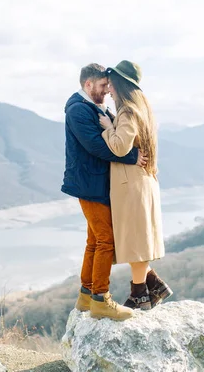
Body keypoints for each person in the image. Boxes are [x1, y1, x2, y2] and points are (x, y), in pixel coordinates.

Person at [61, 63, 147, 320]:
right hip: (89, 183)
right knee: (105, 240)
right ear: (88, 85)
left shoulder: (95, 106)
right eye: (102, 86)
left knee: (94, 241)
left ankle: (86, 296)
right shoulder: (78, 110)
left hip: (97, 182)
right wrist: (133, 157)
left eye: (108, 86)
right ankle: (101, 298)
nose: (107, 91)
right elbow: (97, 146)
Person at [98, 60, 173, 310]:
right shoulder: (142, 109)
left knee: (135, 241)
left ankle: (139, 295)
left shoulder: (128, 112)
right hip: (141, 182)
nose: (109, 91)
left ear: (120, 85)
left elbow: (120, 147)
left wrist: (109, 128)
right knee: (138, 238)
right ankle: (154, 285)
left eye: (111, 86)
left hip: (131, 184)